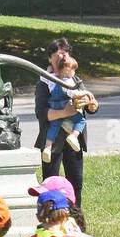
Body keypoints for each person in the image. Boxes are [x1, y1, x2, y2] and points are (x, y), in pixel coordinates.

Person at [34, 37, 99, 202]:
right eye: (58, 58)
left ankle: (76, 221)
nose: (62, 62)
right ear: (50, 59)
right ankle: (50, 217)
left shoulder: (74, 80)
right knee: (50, 184)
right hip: (52, 140)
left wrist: (91, 105)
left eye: (65, 58)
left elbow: (89, 105)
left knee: (76, 184)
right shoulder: (44, 82)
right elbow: (41, 113)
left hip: (73, 140)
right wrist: (65, 112)